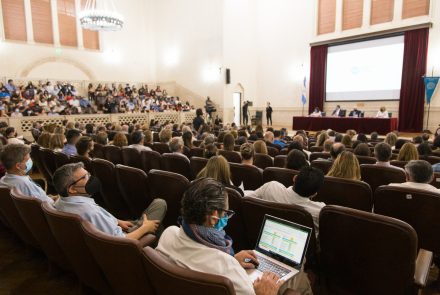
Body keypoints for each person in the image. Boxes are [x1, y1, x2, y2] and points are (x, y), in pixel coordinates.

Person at [156, 178, 305, 295]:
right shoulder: (227, 270)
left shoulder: (168, 234)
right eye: (226, 212)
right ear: (214, 216)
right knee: (300, 272)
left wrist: (232, 260)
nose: (226, 217)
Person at [53, 163, 167, 239]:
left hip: (116, 228)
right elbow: (120, 242)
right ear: (72, 189)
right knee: (160, 204)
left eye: (88, 174)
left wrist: (116, 221)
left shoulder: (61, 201)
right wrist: (145, 228)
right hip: (126, 239)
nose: (91, 178)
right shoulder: (90, 211)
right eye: (85, 177)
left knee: (157, 218)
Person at [249, 167, 325, 236]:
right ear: (314, 194)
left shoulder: (271, 187)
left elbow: (247, 200)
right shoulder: (319, 212)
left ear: (294, 178)